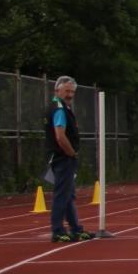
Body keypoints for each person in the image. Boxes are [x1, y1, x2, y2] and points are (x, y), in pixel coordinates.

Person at [43, 76, 93, 243]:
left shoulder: (62, 107)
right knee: (62, 195)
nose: (70, 94)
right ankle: (57, 230)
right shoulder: (59, 109)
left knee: (68, 194)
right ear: (57, 90)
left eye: (72, 91)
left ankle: (75, 229)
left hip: (62, 157)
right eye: (67, 91)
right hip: (62, 157)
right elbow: (60, 136)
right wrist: (71, 153)